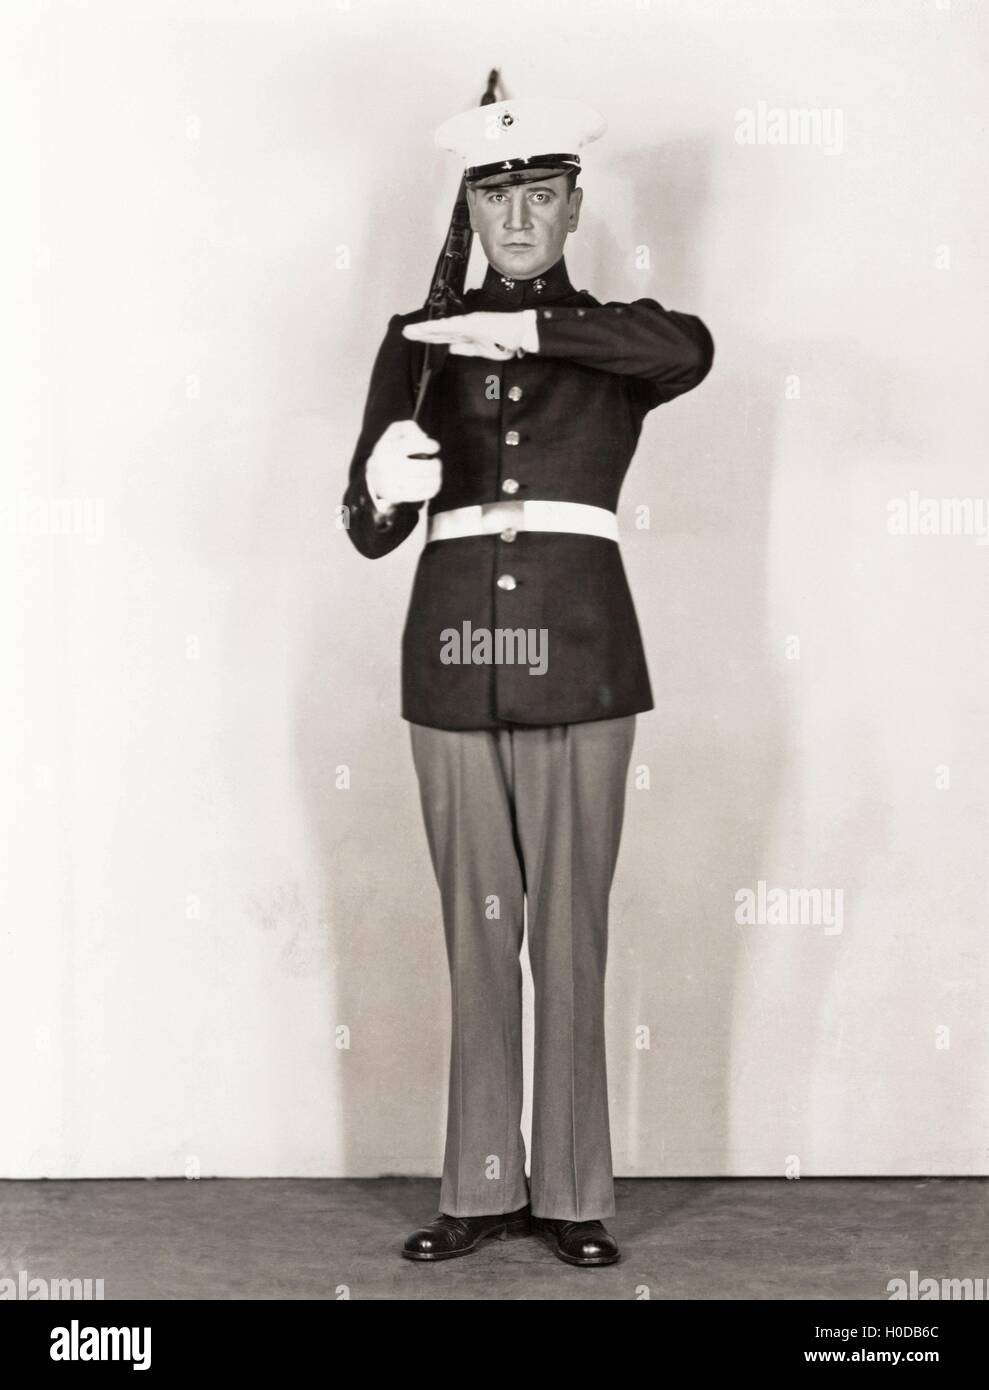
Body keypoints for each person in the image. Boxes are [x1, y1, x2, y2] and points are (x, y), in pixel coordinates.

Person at [342, 96, 714, 1266]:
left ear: (571, 209)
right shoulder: (417, 338)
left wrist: (528, 336)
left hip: (579, 654)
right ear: (468, 208)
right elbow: (365, 526)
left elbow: (687, 348)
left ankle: (569, 1193)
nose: (517, 214)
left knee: (568, 930)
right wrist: (385, 488)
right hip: (453, 660)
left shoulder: (612, 335)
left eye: (539, 194)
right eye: (494, 195)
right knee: (475, 929)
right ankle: (481, 1183)